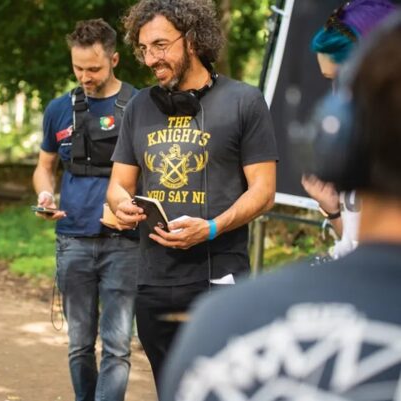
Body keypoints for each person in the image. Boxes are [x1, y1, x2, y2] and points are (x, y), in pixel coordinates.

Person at [159, 13, 401, 400]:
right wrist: (334, 212)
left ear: (340, 136)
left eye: (341, 85)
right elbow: (364, 245)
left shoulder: (222, 330)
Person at [107, 0, 278, 394]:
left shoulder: (244, 101)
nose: (151, 58)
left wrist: (212, 227)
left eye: (161, 45)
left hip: (219, 279)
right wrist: (121, 205)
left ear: (193, 39)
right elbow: (118, 185)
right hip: (153, 282)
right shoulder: (138, 106)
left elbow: (264, 191)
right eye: (144, 49)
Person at [32, 18, 140, 401]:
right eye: (78, 68)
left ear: (114, 59)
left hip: (124, 242)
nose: (85, 77)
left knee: (117, 347)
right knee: (79, 344)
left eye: (93, 68)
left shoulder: (140, 105)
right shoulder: (59, 109)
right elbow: (44, 167)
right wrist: (45, 196)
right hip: (72, 240)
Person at [301, 0, 397, 259]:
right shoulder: (360, 149)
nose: (336, 96)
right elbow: (357, 244)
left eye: (342, 80)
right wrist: (333, 210)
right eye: (330, 82)